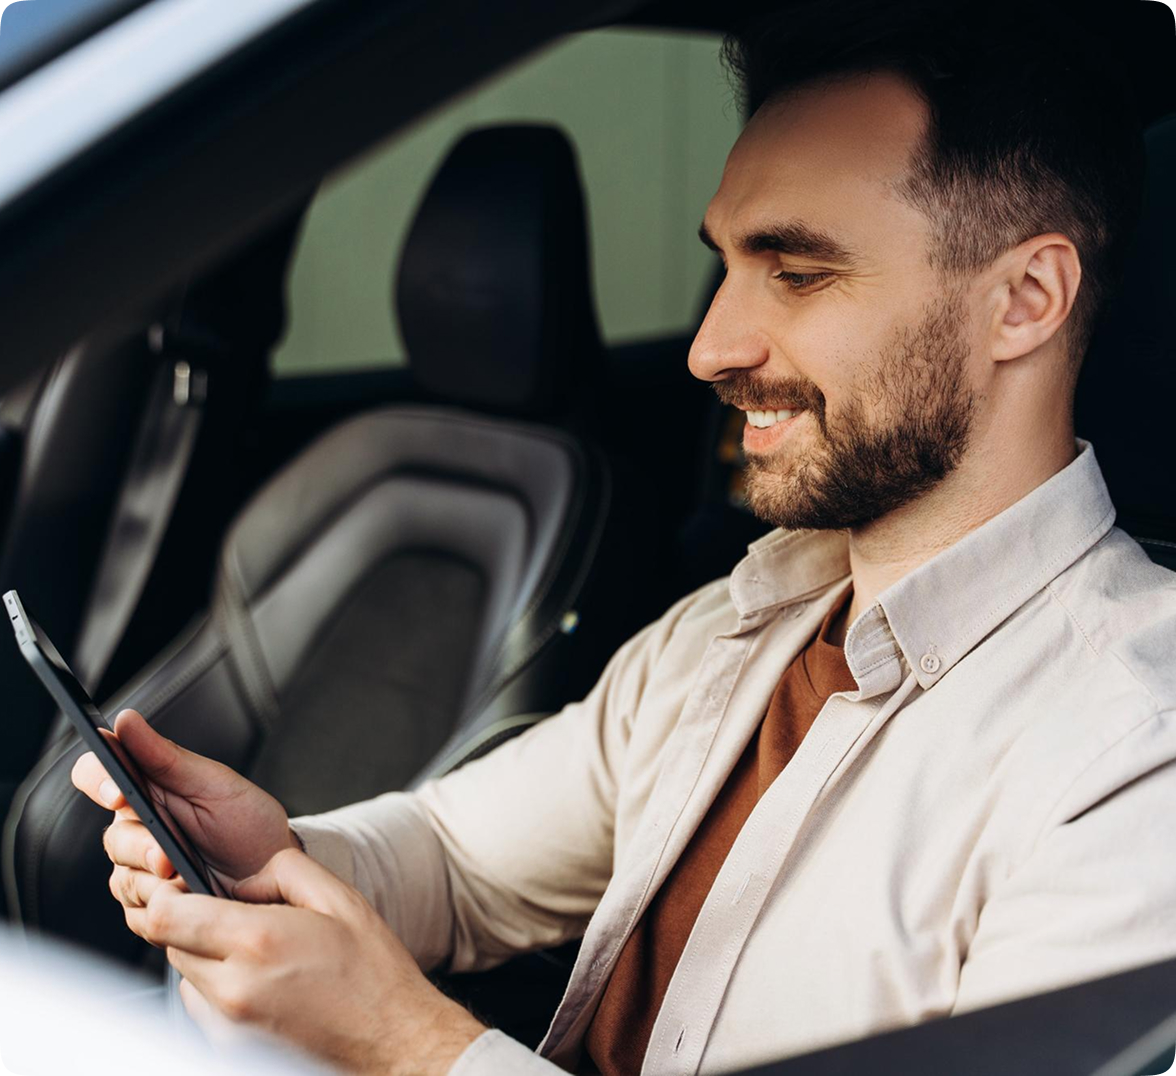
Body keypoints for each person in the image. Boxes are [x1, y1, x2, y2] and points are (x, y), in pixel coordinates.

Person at [72, 2, 1176, 1074]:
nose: (709, 344)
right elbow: (457, 862)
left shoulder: (1133, 756)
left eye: (796, 271)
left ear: (1026, 298)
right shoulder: (736, 627)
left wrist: (404, 1045)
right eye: (726, 264)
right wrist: (279, 854)